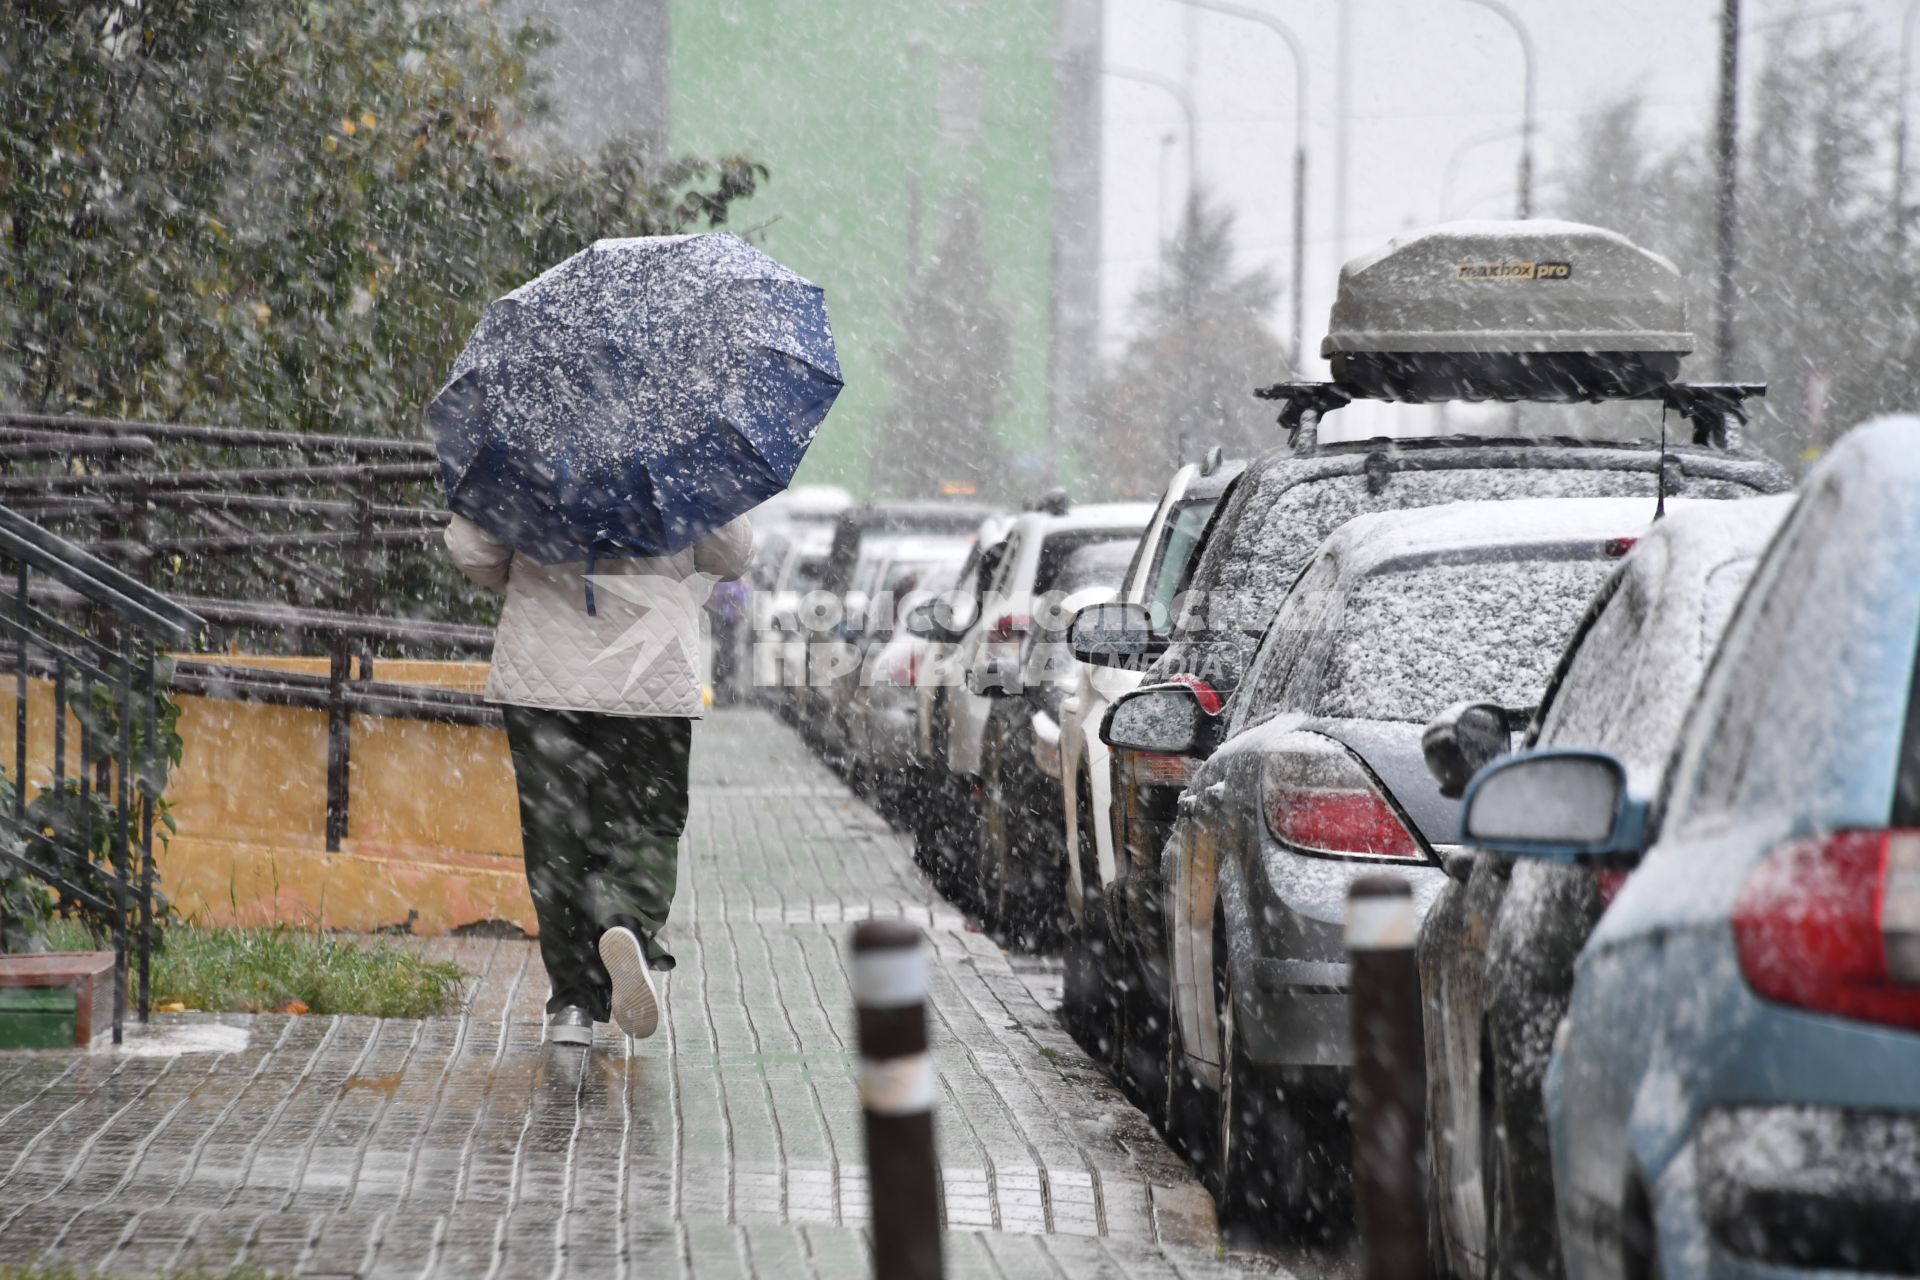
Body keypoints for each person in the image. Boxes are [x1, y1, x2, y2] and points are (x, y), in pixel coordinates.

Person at [447, 513, 753, 1047]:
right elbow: (729, 556)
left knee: (556, 842)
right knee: (647, 821)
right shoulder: (678, 440)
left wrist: (530, 575)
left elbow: (474, 552)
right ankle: (626, 919)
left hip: (542, 676)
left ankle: (572, 1004)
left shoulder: (525, 441)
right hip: (648, 675)